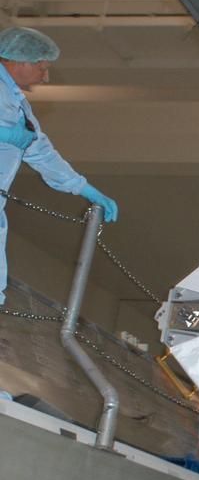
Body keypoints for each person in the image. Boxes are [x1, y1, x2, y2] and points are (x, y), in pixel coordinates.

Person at [0, 26, 118, 307]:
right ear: (21, 62)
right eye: (42, 67)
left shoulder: (17, 104)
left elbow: (40, 151)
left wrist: (83, 187)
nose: (46, 76)